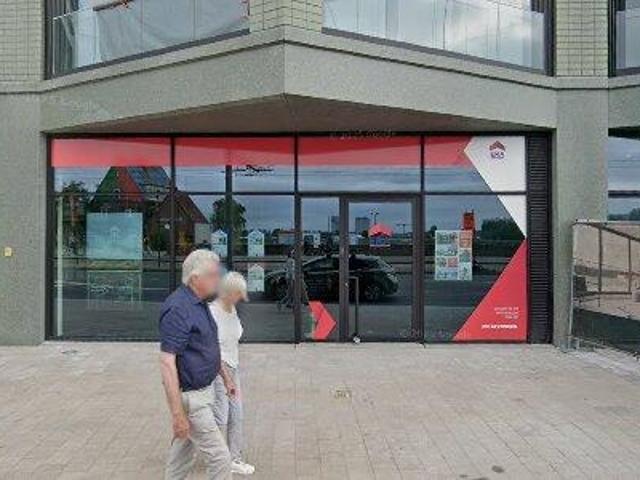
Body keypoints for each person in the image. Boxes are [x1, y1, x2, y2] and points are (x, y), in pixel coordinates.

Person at [159, 249, 236, 480]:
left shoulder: (200, 303)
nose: (218, 280)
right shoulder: (178, 309)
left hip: (204, 392)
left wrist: (226, 377)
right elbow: (167, 363)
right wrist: (177, 415)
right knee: (220, 458)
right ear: (195, 278)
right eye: (213, 275)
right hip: (192, 400)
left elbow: (208, 345)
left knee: (181, 457)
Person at [209, 272, 256, 475]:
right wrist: (226, 377)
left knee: (237, 414)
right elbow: (212, 349)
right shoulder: (212, 313)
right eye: (238, 293)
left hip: (233, 367)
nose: (240, 298)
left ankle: (234, 458)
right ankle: (215, 455)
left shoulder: (231, 309)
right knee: (221, 416)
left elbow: (234, 336)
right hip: (218, 369)